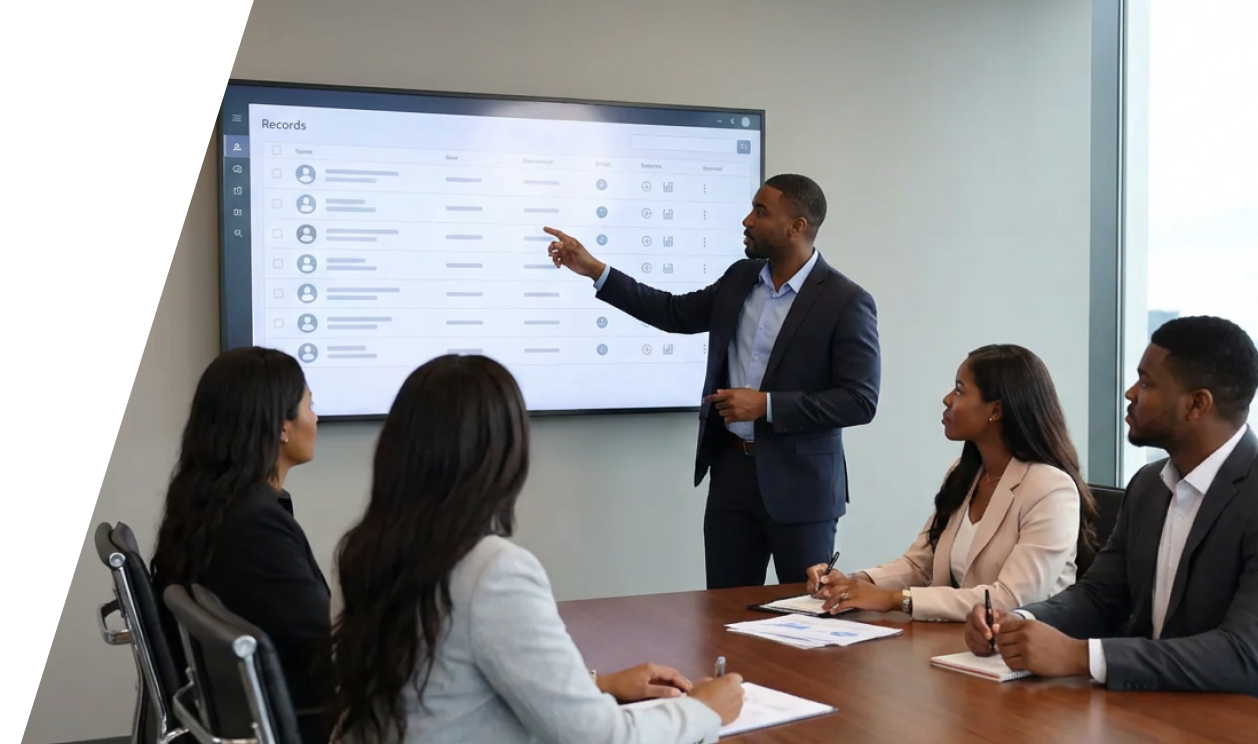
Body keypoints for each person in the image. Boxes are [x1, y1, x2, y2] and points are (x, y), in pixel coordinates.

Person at [325, 355, 745, 744]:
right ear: (503, 456)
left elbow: (452, 681)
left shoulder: (372, 549)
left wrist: (595, 684)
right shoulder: (493, 571)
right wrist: (703, 710)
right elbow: (600, 738)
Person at [545, 174, 881, 589]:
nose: (747, 220)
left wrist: (767, 405)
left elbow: (859, 400)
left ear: (796, 227)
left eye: (761, 212)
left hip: (802, 490)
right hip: (731, 475)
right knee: (723, 614)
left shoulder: (846, 301)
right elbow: (672, 312)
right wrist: (595, 270)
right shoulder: (741, 278)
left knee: (808, 613)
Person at [964, 316, 1258, 695]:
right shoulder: (1149, 485)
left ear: (1197, 404)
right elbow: (1100, 598)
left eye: (1147, 382)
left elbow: (1244, 653)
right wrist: (1015, 623)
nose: (1130, 393)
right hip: (1142, 711)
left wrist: (1082, 657)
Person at [805, 344, 1095, 621]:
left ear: (996, 410)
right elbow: (919, 565)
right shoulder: (964, 474)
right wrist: (854, 582)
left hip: (1019, 652)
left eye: (959, 390)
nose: (947, 399)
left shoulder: (1051, 489)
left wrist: (894, 600)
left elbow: (1009, 599)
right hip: (954, 640)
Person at [150, 347, 331, 740]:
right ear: (281, 427)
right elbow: (321, 647)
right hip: (302, 719)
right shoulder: (256, 525)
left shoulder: (207, 503)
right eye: (310, 406)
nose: (315, 419)